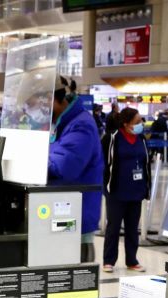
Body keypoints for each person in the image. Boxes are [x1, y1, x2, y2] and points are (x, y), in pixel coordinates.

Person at [48, 76, 103, 262]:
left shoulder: (81, 125)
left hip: (75, 218)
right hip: (60, 211)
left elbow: (64, 167)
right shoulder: (60, 124)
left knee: (74, 280)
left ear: (58, 99)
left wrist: (28, 161)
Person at [101, 108, 150, 273]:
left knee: (132, 228)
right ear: (126, 124)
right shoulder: (113, 138)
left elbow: (146, 163)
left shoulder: (141, 139)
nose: (140, 125)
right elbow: (105, 163)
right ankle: (109, 260)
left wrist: (146, 188)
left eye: (140, 121)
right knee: (113, 227)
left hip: (136, 190)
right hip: (117, 191)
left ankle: (132, 260)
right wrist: (107, 185)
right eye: (137, 122)